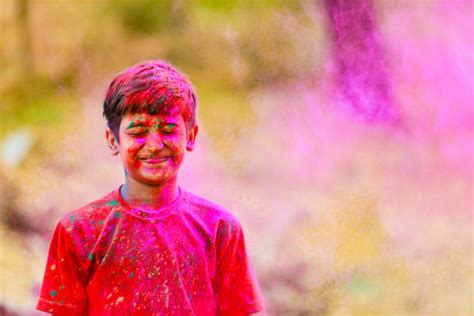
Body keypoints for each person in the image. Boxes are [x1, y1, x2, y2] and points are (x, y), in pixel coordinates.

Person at [36, 61, 265, 315]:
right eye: (138, 132)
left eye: (168, 130)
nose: (155, 145)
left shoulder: (220, 229)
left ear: (190, 136)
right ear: (113, 140)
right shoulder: (78, 231)